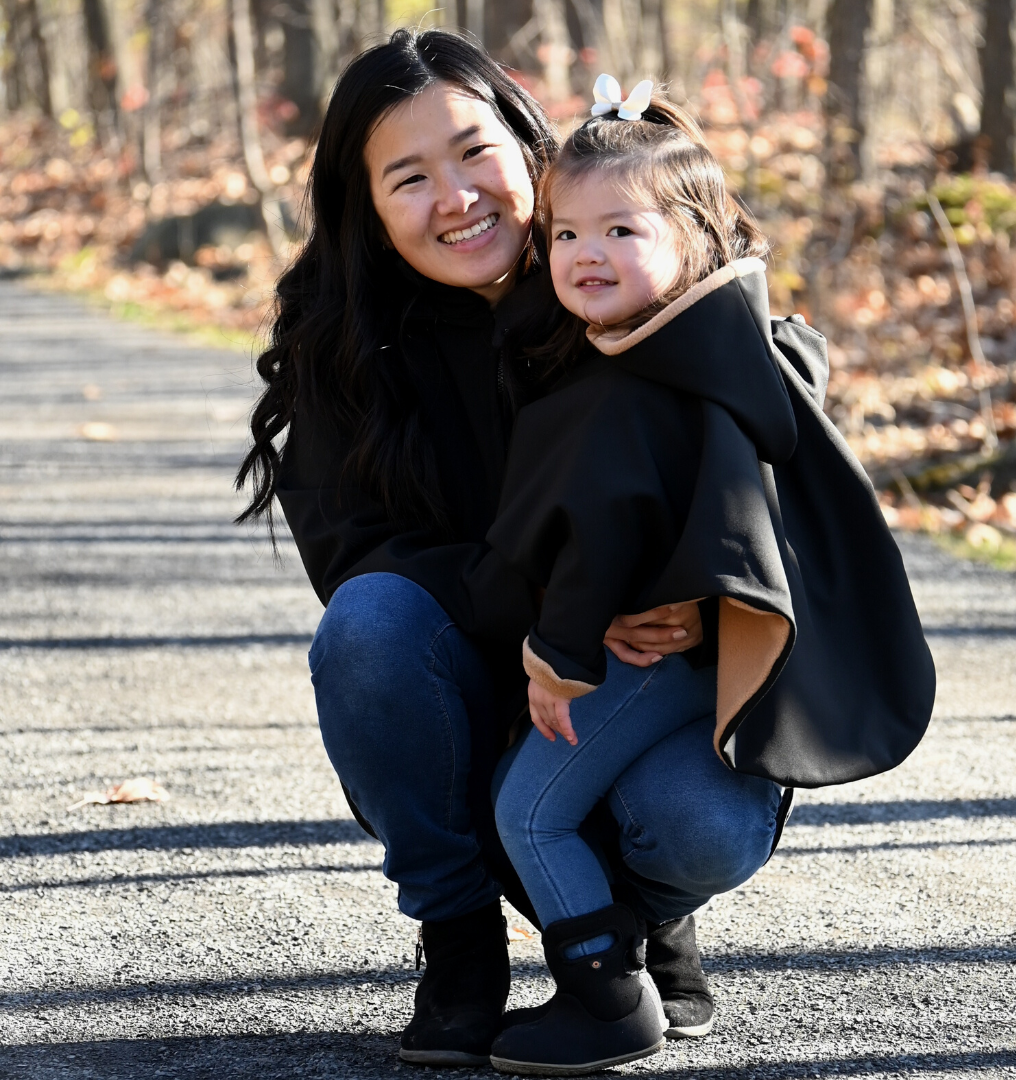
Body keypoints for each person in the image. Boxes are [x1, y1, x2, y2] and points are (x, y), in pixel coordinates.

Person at [236, 30, 783, 1069]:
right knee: (368, 625)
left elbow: (761, 462)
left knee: (700, 823)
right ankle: (459, 942)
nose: (456, 198)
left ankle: (635, 925)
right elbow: (354, 554)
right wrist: (556, 608)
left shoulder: (624, 278)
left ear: (531, 147)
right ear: (366, 205)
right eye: (409, 178)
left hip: (642, 686)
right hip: (473, 693)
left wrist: (701, 592)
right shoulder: (346, 343)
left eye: (474, 151)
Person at [485, 79, 935, 1074]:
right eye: (566, 234)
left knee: (528, 810)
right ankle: (653, 962)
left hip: (647, 660)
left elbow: (599, 537)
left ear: (693, 239)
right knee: (572, 803)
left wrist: (556, 660)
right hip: (723, 658)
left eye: (622, 231)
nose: (587, 254)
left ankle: (604, 997)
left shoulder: (631, 384)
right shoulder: (735, 350)